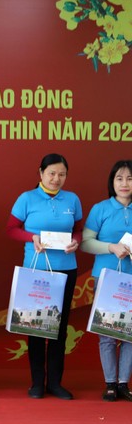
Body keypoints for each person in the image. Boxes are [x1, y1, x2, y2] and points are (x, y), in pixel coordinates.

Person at [7, 153, 82, 400]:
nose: (56, 179)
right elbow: (11, 229)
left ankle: (56, 383)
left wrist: (75, 242)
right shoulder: (27, 199)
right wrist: (32, 238)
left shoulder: (72, 199)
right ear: (40, 173)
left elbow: (79, 230)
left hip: (66, 270)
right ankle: (37, 382)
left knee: (60, 328)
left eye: (61, 174)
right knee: (37, 326)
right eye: (51, 173)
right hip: (37, 270)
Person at [80, 160, 132, 402]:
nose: (124, 184)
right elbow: (86, 242)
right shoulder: (100, 209)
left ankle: (124, 384)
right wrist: (111, 247)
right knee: (108, 332)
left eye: (130, 179)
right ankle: (110, 383)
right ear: (112, 182)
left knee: (130, 333)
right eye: (119, 178)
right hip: (107, 278)